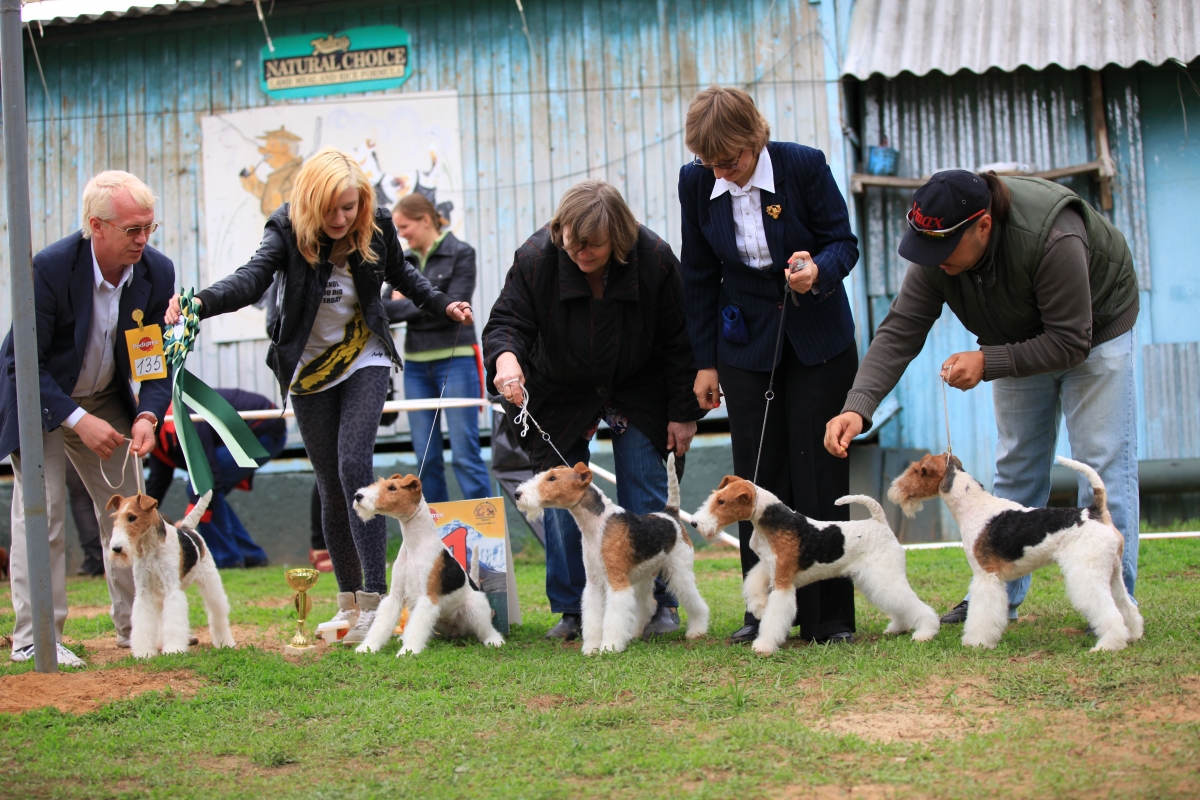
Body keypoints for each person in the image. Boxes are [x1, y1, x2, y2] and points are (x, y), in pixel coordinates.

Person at [166, 148, 471, 645]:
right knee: (329, 482)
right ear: (309, 202)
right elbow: (251, 280)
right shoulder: (285, 229)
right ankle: (348, 601)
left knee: (355, 465)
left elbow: (402, 274)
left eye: (349, 207)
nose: (340, 218)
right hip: (308, 368)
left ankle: (376, 600)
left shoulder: (373, 227)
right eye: (330, 208)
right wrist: (199, 302)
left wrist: (440, 303)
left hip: (364, 355)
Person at [824, 170, 1140, 625]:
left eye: (942, 250)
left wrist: (987, 362)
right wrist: (858, 406)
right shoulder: (939, 251)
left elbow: (1071, 341)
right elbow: (900, 330)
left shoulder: (1053, 236)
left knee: (1102, 464)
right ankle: (998, 597)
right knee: (1015, 463)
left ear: (984, 226)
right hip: (1014, 334)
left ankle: (1117, 603)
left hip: (1095, 331)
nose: (934, 260)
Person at [483, 179, 705, 640]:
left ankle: (658, 606)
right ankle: (573, 609)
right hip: (557, 388)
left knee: (646, 487)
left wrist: (683, 412)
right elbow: (507, 322)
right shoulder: (534, 258)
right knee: (561, 493)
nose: (582, 253)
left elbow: (680, 340)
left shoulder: (656, 258)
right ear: (559, 229)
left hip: (640, 385)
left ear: (619, 237)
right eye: (572, 242)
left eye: (595, 246)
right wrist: (506, 362)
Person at [678, 86, 860, 645]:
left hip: (816, 338)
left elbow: (843, 243)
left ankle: (830, 618)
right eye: (711, 164)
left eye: (731, 161)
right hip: (745, 344)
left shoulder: (804, 165)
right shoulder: (696, 180)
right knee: (756, 482)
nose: (723, 174)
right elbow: (700, 273)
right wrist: (705, 362)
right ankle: (763, 612)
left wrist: (817, 270)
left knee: (818, 476)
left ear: (755, 139)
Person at [0, 170, 175, 666]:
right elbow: (22, 365)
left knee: (134, 516)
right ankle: (35, 638)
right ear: (96, 226)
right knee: (43, 514)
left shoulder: (156, 272)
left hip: (106, 400)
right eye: (132, 230)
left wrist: (146, 413)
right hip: (40, 401)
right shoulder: (49, 269)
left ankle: (137, 629)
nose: (143, 239)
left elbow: (151, 362)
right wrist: (77, 418)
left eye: (149, 227)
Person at [388, 193, 490, 503]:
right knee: (425, 459)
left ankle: (487, 536)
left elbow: (455, 307)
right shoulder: (401, 261)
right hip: (416, 367)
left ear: (426, 220)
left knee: (465, 454)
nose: (401, 234)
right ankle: (437, 538)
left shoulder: (461, 252)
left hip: (457, 361)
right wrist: (434, 303)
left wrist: (408, 301)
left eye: (404, 226)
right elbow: (381, 310)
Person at [145, 388, 287, 569]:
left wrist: (189, 520)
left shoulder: (180, 419)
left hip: (263, 429)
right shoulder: (158, 444)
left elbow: (207, 474)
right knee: (208, 492)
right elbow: (156, 486)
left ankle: (226, 560)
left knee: (202, 487)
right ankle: (251, 556)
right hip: (248, 432)